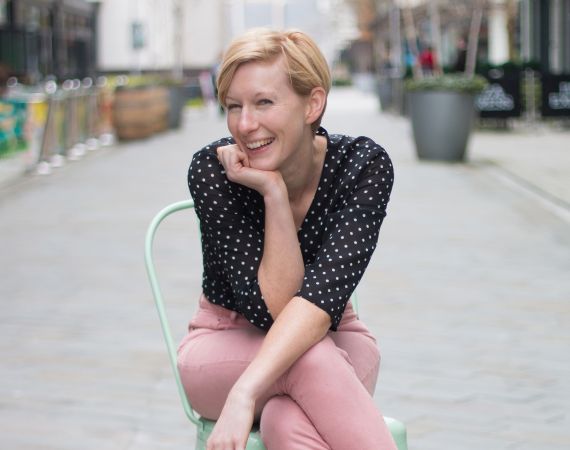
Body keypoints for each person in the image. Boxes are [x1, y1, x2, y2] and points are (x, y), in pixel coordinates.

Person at [178, 28, 396, 450]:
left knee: (286, 414)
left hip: (334, 333)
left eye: (263, 102)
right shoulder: (213, 170)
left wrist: (246, 394)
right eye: (233, 106)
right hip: (223, 341)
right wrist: (273, 194)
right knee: (308, 361)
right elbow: (271, 311)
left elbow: (315, 307)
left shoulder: (362, 166)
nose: (245, 125)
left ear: (312, 103)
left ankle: (263, 395)